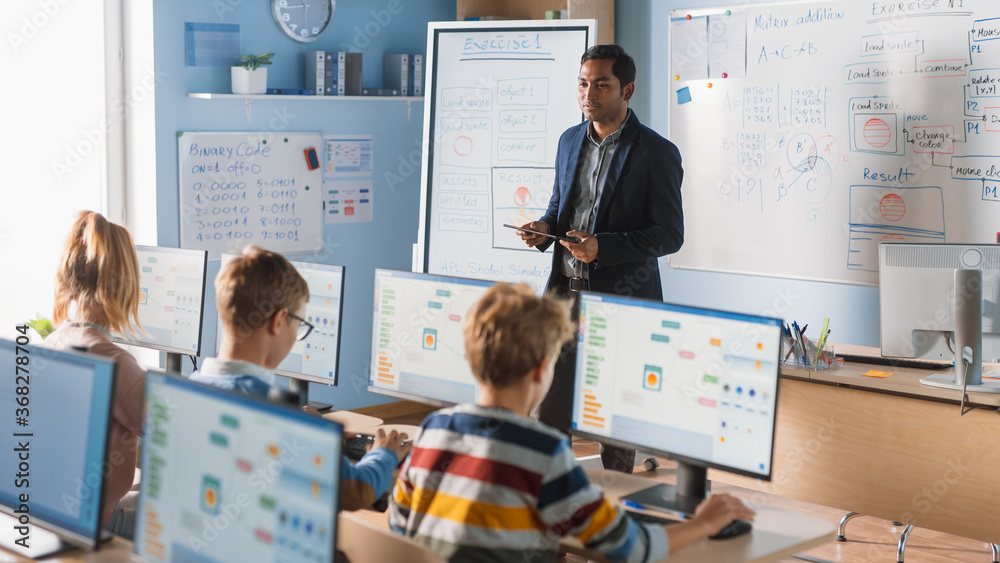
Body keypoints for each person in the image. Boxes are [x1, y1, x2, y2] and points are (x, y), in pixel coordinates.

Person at [389, 283, 753, 563]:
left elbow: (399, 523)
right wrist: (703, 524)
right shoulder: (544, 452)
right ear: (541, 369)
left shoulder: (434, 429)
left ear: (469, 359)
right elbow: (629, 548)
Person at [518, 44, 684, 472]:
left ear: (626, 89)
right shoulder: (569, 140)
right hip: (563, 297)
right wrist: (542, 229)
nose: (588, 93)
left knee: (612, 415)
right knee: (550, 407)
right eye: (582, 83)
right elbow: (560, 209)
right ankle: (552, 494)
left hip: (621, 301)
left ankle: (615, 509)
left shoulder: (656, 152)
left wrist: (603, 247)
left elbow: (669, 235)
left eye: (601, 84)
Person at [190, 245, 410, 510]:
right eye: (299, 326)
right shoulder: (279, 413)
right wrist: (384, 453)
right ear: (279, 320)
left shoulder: (189, 388)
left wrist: (317, 436)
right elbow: (356, 491)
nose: (297, 336)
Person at [44, 210, 145, 538]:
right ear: (125, 286)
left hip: (55, 514)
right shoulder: (115, 362)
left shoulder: (52, 342)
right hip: (96, 526)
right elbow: (173, 439)